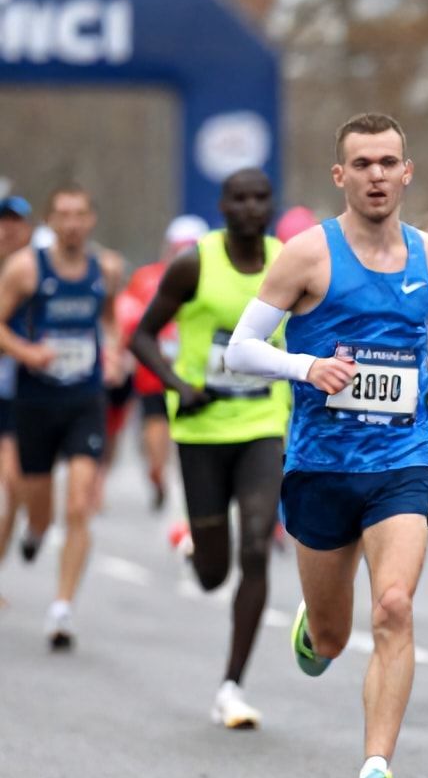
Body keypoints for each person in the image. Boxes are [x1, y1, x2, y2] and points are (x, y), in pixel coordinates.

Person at [225, 113, 428, 778]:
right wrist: (308, 367)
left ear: (407, 172)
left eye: (386, 162)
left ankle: (376, 771)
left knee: (394, 607)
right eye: (360, 163)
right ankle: (316, 627)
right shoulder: (306, 256)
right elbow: (242, 348)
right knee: (334, 639)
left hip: (400, 463)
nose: (375, 175)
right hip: (320, 467)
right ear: (340, 176)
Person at [128, 170, 288, 728]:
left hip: (265, 422)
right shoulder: (194, 262)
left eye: (260, 198)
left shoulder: (287, 261)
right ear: (222, 206)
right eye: (239, 198)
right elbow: (141, 335)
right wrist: (178, 385)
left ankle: (231, 686)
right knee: (214, 574)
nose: (250, 207)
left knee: (257, 546)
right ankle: (196, 551)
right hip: (200, 430)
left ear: (270, 205)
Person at [0, 185, 126, 649]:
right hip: (35, 401)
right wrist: (27, 352)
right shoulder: (26, 269)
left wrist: (112, 351)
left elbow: (109, 319)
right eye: (63, 215)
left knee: (78, 505)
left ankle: (62, 608)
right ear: (51, 222)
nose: (72, 223)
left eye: (80, 214)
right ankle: (34, 531)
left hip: (84, 400)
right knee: (39, 507)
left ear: (91, 219)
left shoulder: (106, 269)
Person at [117, 215, 209, 511]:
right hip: (156, 370)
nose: (183, 252)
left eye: (190, 247)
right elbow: (128, 317)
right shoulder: (145, 278)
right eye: (179, 246)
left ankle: (181, 481)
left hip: (197, 372)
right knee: (157, 432)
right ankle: (158, 475)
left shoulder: (213, 276)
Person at [0, 194, 32, 573]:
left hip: (15, 391)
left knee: (15, 482)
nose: (7, 229)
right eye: (2, 222)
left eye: (14, 222)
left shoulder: (34, 272)